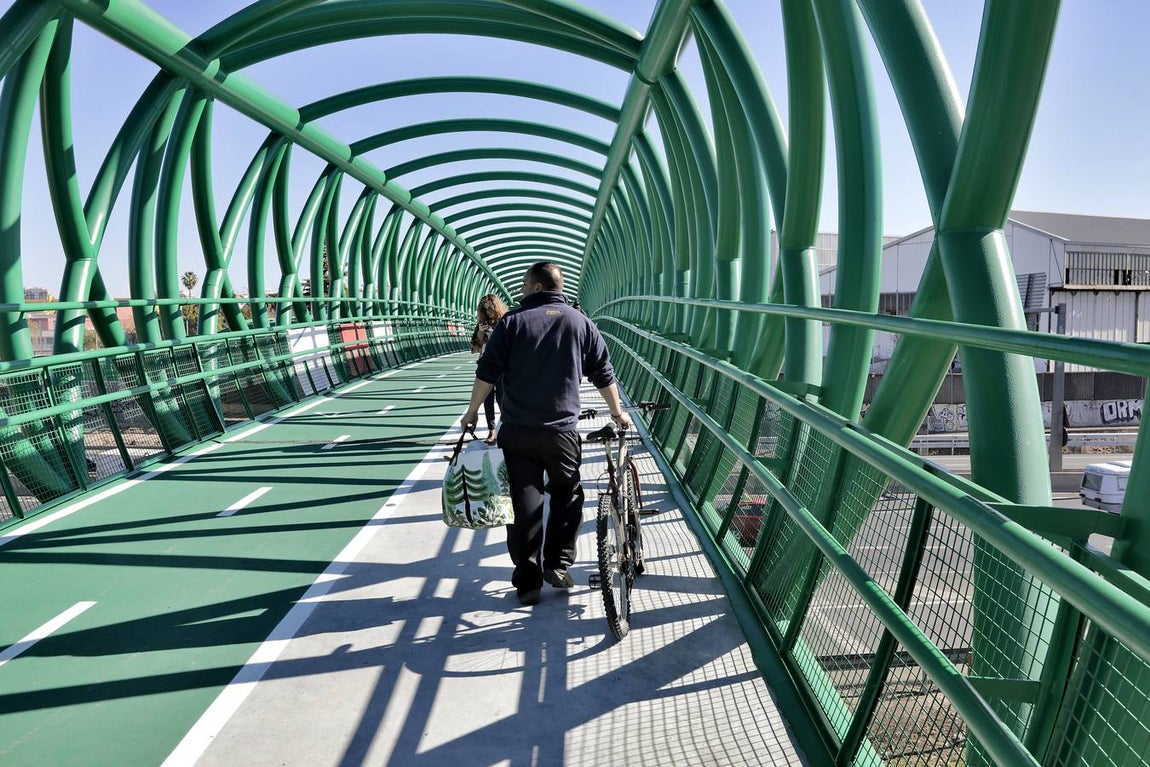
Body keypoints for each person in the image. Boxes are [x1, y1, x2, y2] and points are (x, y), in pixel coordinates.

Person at [462, 263, 632, 606]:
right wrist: (617, 412)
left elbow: (487, 372)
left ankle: (528, 583)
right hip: (561, 432)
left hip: (518, 431)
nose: (522, 291)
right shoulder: (580, 322)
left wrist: (471, 412)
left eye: (525, 285)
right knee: (567, 495)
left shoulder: (511, 323)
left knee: (523, 505)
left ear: (537, 287)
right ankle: (557, 562)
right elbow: (603, 372)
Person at [469, 294, 508, 444]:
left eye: (490, 308)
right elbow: (475, 348)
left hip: (502, 367)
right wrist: (480, 332)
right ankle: (492, 430)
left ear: (496, 306)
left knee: (502, 398)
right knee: (487, 399)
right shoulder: (482, 324)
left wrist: (493, 335)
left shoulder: (505, 322)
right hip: (486, 365)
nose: (488, 312)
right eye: (485, 309)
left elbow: (508, 344)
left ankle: (505, 427)